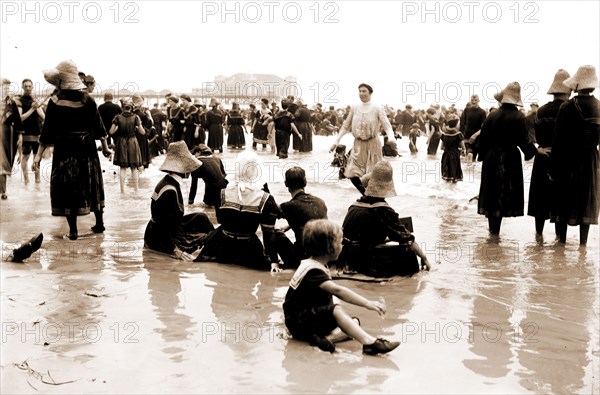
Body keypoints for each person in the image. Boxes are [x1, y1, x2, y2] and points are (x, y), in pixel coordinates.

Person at [283, 219, 401, 355]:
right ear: (328, 248)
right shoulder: (313, 271)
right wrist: (367, 303)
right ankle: (370, 343)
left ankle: (324, 339)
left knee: (354, 323)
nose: (342, 245)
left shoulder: (312, 263)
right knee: (337, 310)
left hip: (302, 319)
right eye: (339, 242)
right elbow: (338, 291)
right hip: (300, 323)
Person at [32, 60, 112, 240]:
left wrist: (37, 156)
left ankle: (73, 231)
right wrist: (106, 149)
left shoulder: (54, 102)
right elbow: (99, 128)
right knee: (93, 185)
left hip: (65, 150)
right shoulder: (88, 100)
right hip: (87, 148)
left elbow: (47, 131)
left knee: (68, 188)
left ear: (60, 81)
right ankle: (99, 223)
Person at [336, 160, 431, 277]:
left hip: (348, 257)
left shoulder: (354, 207)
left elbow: (360, 237)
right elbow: (407, 240)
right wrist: (424, 257)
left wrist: (389, 238)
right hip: (367, 260)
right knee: (408, 251)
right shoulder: (383, 210)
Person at [195, 151, 282, 271]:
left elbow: (219, 218)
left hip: (220, 244)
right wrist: (274, 261)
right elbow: (268, 233)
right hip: (248, 247)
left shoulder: (222, 191)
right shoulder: (265, 198)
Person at [477, 82, 537, 235]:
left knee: (491, 191)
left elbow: (483, 139)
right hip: (510, 158)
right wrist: (535, 152)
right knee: (504, 192)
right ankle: (495, 232)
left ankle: (492, 230)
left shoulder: (492, 115)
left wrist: (482, 156)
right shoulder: (519, 116)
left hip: (491, 157)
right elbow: (524, 141)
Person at [550, 65, 600, 245]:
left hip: (568, 158)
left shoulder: (567, 106)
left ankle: (561, 243)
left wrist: (553, 168)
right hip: (590, 159)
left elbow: (558, 140)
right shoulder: (598, 106)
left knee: (564, 200)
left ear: (577, 85)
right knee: (586, 200)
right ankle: (583, 246)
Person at [144, 141, 215, 260]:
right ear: (182, 169)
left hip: (160, 229)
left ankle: (214, 242)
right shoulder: (170, 191)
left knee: (202, 218)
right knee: (205, 239)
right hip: (160, 238)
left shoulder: (169, 181)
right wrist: (175, 251)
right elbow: (163, 227)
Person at [527, 69, 572, 236]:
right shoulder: (570, 109)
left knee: (540, 199)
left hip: (543, 157)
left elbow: (532, 136)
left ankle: (539, 237)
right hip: (563, 160)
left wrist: (537, 149)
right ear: (568, 90)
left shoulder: (540, 111)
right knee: (560, 201)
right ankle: (560, 241)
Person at [329, 83, 395, 195]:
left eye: (364, 91)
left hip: (373, 143)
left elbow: (387, 126)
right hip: (358, 143)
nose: (361, 93)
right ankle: (365, 194)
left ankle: (373, 198)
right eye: (359, 91)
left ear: (370, 93)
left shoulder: (377, 108)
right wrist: (336, 141)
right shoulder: (354, 107)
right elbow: (345, 126)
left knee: (373, 174)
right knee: (351, 172)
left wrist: (392, 138)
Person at [270, 166, 328, 269]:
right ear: (305, 183)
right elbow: (308, 218)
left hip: (302, 260)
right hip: (324, 257)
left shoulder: (288, 207)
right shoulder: (320, 201)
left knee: (274, 232)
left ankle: (275, 263)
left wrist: (267, 193)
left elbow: (270, 211)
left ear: (286, 184)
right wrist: (289, 226)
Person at [108, 101, 145, 193]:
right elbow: (143, 132)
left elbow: (111, 132)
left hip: (121, 142)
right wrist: (136, 128)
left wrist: (118, 127)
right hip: (132, 141)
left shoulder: (117, 117)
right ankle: (136, 190)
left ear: (122, 108)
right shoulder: (136, 117)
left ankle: (122, 190)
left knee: (122, 168)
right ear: (131, 108)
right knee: (134, 167)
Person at [15, 79, 45, 184]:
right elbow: (20, 118)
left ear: (32, 87)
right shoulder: (19, 101)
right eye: (26, 86)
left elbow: (43, 117)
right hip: (25, 133)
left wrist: (38, 108)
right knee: (26, 156)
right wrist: (32, 109)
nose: (28, 88)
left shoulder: (35, 100)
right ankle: (26, 180)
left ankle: (37, 180)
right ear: (23, 87)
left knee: (37, 156)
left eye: (29, 86)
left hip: (37, 133)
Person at [1, 78, 24, 199]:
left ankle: (3, 191)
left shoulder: (11, 102)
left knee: (3, 163)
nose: (6, 90)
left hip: (6, 135)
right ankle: (3, 191)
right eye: (4, 87)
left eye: (8, 87)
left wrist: (20, 136)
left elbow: (18, 121)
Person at [460, 94, 487, 162]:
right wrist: (461, 138)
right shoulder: (466, 110)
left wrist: (475, 135)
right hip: (467, 137)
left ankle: (472, 171)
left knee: (473, 158)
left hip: (477, 138)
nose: (474, 102)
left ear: (478, 101)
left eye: (475, 100)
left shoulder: (482, 112)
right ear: (470, 100)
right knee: (469, 154)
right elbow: (462, 124)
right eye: (472, 100)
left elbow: (484, 127)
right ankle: (467, 171)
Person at [440, 114, 465, 182]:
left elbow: (441, 147)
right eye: (458, 123)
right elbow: (463, 148)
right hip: (455, 154)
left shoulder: (444, 134)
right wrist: (463, 152)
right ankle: (453, 190)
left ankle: (447, 190)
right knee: (455, 174)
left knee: (447, 174)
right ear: (456, 124)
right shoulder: (458, 134)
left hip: (445, 154)